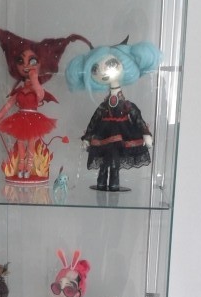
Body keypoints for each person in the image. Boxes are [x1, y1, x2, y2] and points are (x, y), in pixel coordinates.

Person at [0, 26, 91, 183]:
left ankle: (28, 167)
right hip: (20, 118)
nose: (26, 66)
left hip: (33, 118)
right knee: (20, 143)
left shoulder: (36, 87)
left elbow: (40, 94)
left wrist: (34, 79)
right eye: (21, 61)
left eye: (32, 61)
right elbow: (8, 105)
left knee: (31, 144)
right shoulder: (19, 90)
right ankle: (21, 167)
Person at [65, 40, 161, 191]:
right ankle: (102, 182)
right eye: (95, 69)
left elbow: (136, 116)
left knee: (114, 161)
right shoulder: (104, 105)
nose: (103, 72)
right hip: (104, 132)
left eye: (110, 65)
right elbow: (94, 120)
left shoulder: (126, 104)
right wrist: (87, 137)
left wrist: (145, 133)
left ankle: (114, 183)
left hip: (122, 132)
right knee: (104, 161)